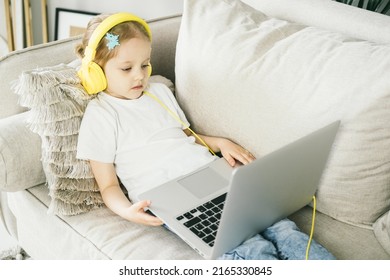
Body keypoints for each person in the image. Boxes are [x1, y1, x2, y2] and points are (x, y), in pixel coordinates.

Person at [76, 13, 335, 260]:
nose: (140, 75)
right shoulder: (101, 116)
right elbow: (108, 185)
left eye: (144, 65)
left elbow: (187, 135)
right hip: (168, 196)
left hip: (211, 172)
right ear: (95, 72)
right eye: (126, 68)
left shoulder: (158, 92)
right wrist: (127, 212)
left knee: (284, 228)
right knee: (251, 248)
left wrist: (221, 143)